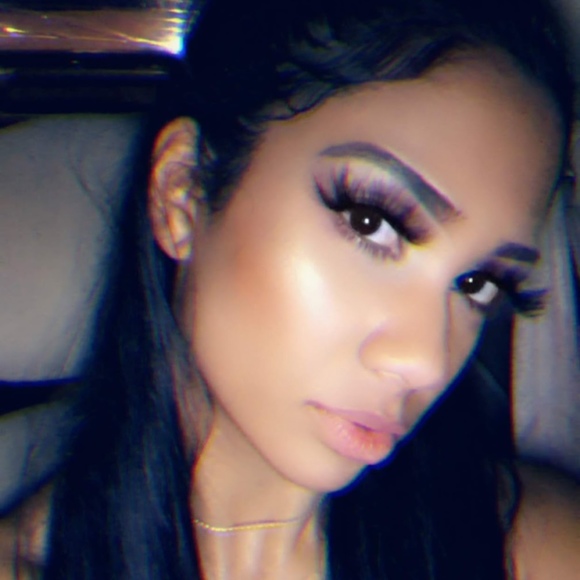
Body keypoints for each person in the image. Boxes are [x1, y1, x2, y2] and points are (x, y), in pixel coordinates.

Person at [2, 0, 579, 578]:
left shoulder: (540, 553)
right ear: (183, 192)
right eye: (371, 224)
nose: (424, 362)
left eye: (479, 283)